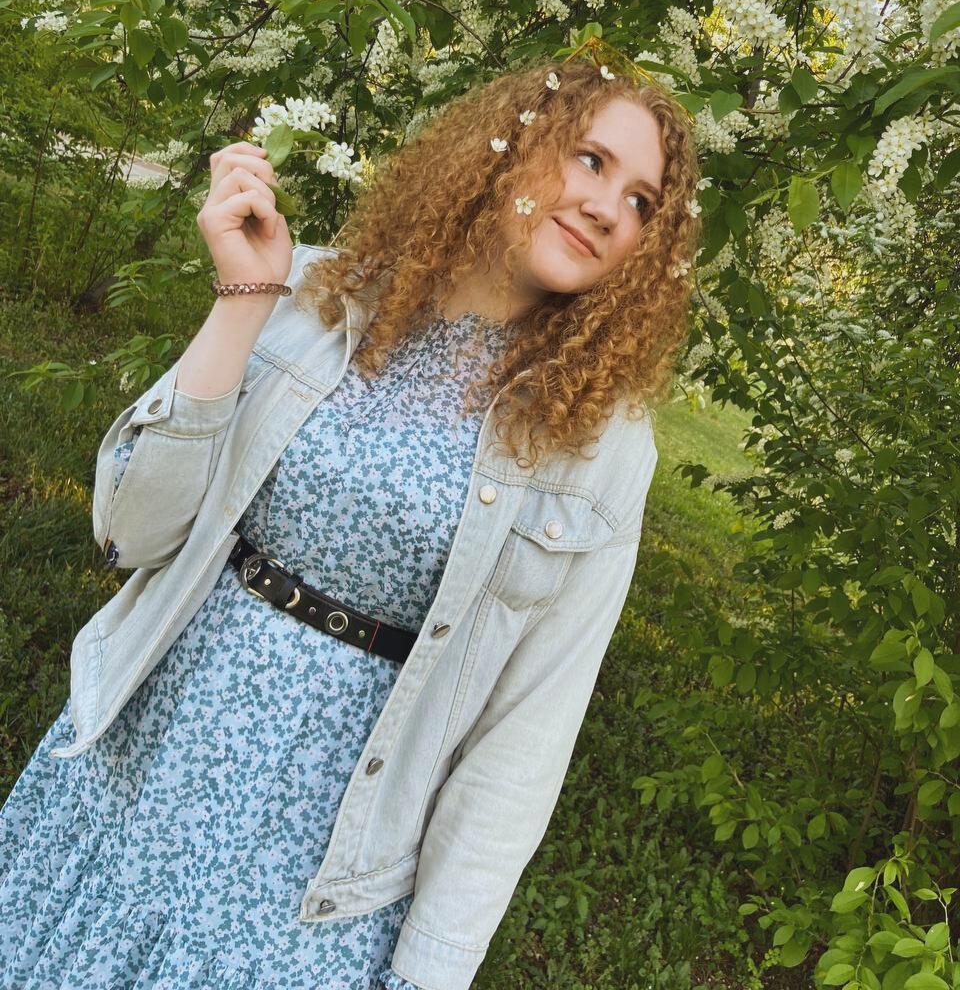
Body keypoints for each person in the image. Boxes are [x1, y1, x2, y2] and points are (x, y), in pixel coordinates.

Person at [0, 53, 701, 990]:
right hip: (148, 751)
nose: (610, 208)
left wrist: (430, 972)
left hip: (320, 858)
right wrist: (243, 302)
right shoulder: (316, 291)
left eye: (643, 202)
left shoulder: (599, 446)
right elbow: (129, 530)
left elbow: (527, 735)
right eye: (591, 160)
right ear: (513, 143)